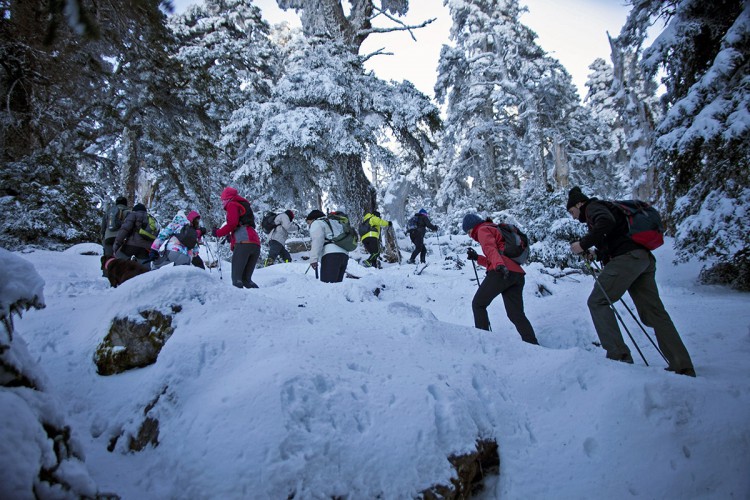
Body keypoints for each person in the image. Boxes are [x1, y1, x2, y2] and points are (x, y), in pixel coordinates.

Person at [566, 186, 695, 376]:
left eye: (572, 211)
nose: (573, 216)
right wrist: (598, 253)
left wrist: (583, 244)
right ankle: (682, 364)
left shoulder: (592, 207)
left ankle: (618, 357)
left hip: (627, 259)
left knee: (597, 301)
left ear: (579, 203)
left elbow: (606, 222)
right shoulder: (606, 208)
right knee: (654, 312)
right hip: (642, 259)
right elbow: (616, 235)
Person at [463, 213, 539, 345]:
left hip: (502, 272)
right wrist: (477, 258)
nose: (470, 235)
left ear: (473, 227)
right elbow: (495, 256)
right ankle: (532, 344)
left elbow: (490, 249)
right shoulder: (494, 228)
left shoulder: (482, 229)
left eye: (469, 231)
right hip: (516, 274)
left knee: (478, 304)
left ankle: (484, 343)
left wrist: (499, 266)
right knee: (515, 314)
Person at [211, 187, 261, 288]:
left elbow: (232, 223)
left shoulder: (232, 204)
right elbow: (242, 225)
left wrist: (218, 232)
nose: (222, 202)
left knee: (237, 280)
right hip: (255, 243)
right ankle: (262, 302)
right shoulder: (244, 205)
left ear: (227, 198)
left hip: (244, 243)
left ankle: (238, 303)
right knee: (246, 280)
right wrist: (232, 238)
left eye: (223, 200)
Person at [306, 209, 349, 283]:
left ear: (313, 219)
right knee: (336, 288)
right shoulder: (334, 222)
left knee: (328, 287)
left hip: (331, 256)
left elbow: (317, 240)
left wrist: (313, 259)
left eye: (308, 222)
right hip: (344, 255)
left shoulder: (317, 223)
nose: (308, 225)